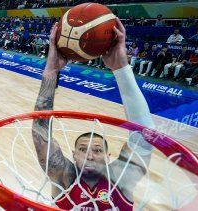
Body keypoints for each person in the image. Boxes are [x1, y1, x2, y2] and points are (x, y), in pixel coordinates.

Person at [32, 19, 155, 210]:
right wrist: (51, 70)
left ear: (108, 156)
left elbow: (145, 138)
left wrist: (121, 68)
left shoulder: (120, 178)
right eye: (82, 149)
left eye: (97, 150)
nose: (90, 155)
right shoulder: (65, 177)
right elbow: (41, 137)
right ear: (73, 155)